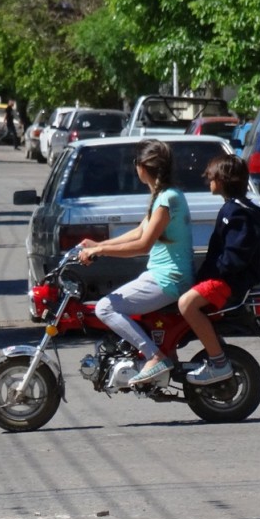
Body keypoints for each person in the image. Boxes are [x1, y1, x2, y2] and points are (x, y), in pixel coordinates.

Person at [78, 139, 193, 385]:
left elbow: (143, 245)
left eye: (135, 163)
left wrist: (101, 251)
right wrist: (98, 245)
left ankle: (154, 356)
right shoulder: (164, 196)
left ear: (143, 166)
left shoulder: (166, 199)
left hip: (169, 278)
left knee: (105, 308)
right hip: (163, 275)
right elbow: (139, 232)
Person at [178, 154, 260, 384]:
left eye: (211, 176)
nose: (208, 179)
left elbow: (234, 256)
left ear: (222, 179)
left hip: (229, 282)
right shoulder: (235, 208)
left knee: (186, 304)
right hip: (224, 279)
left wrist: (214, 274)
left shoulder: (237, 212)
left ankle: (219, 362)